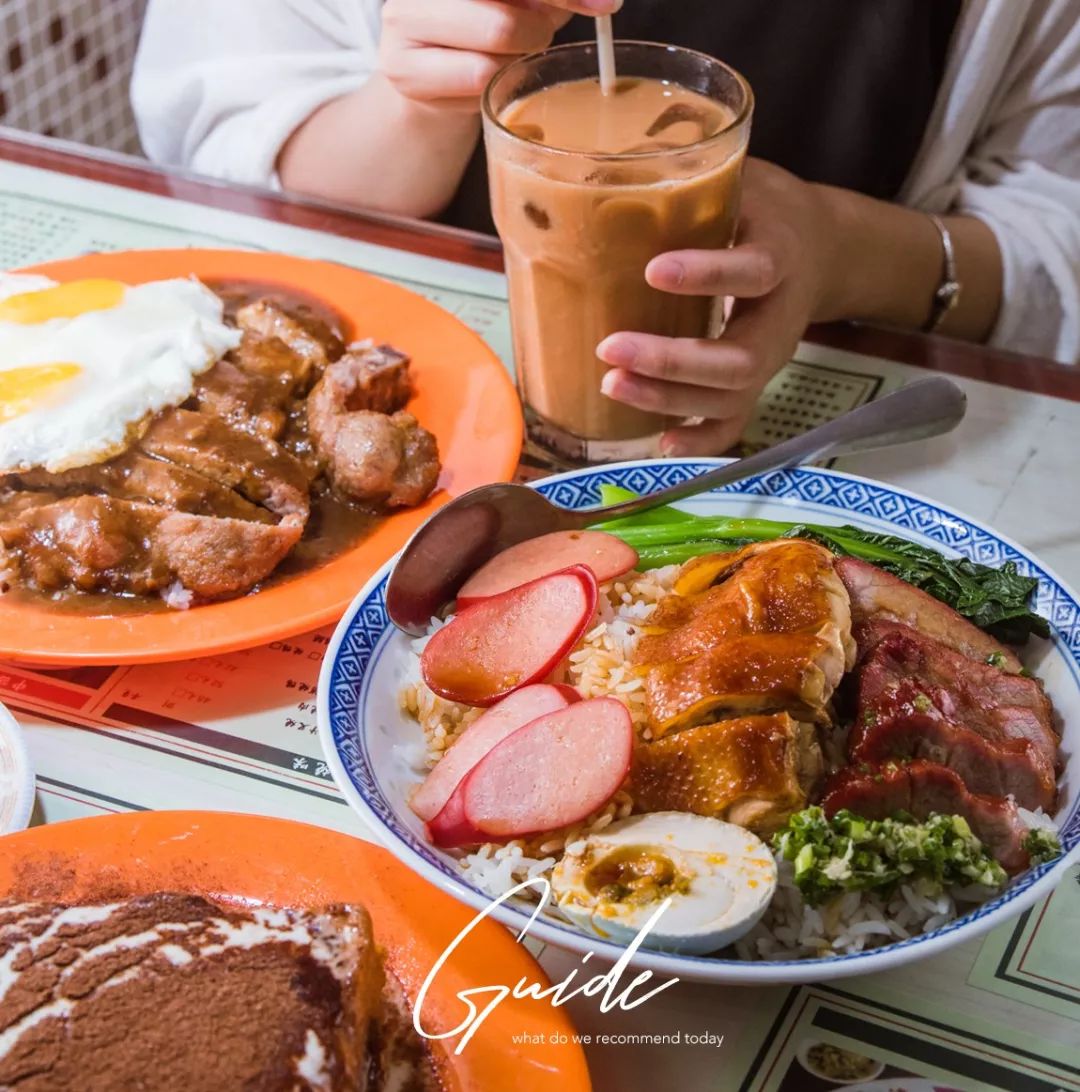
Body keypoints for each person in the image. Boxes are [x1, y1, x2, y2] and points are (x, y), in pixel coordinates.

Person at [132, 0, 1080, 456]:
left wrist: (841, 246)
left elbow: (1057, 231)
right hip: (437, 413)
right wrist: (416, 102)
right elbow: (224, 128)